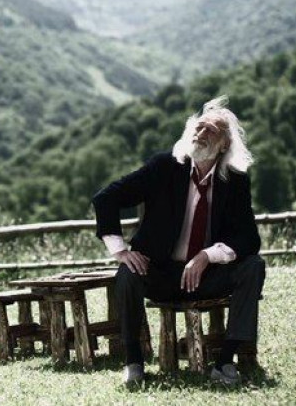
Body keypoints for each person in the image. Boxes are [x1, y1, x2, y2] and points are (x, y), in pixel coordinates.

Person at [92, 95, 265, 385]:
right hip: (161, 274)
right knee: (127, 274)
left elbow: (248, 237)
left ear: (224, 144)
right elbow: (106, 198)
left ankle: (224, 362)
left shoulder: (234, 180)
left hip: (207, 276)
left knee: (254, 266)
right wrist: (120, 251)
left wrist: (207, 255)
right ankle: (133, 362)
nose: (201, 132)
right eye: (199, 126)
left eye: (210, 130)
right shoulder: (165, 167)